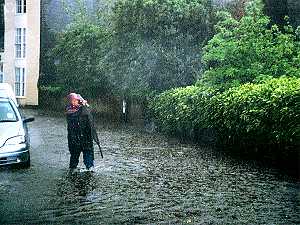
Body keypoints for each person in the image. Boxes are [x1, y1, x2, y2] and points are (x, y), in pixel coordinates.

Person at [66, 93, 99, 172]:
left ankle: (90, 169)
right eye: (75, 100)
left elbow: (89, 116)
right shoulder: (70, 111)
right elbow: (75, 114)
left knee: (88, 157)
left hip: (86, 138)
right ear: (71, 101)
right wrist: (84, 106)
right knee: (74, 157)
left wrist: (85, 105)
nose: (77, 101)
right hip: (75, 138)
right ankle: (72, 170)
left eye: (77, 100)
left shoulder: (84, 109)